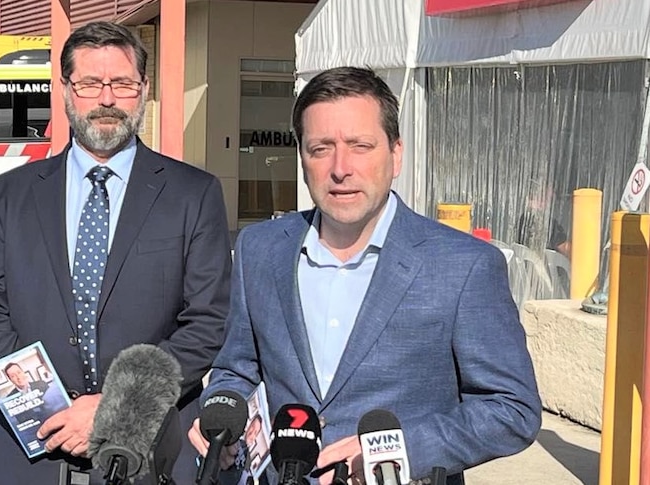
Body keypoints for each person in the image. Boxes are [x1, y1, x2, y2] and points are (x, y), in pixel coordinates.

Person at [188, 66, 541, 484]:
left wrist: (395, 451)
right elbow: (237, 368)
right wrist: (221, 407)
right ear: (302, 158)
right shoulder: (259, 248)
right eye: (321, 148)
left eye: (360, 146)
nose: (341, 168)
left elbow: (512, 409)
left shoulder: (464, 265)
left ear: (396, 155)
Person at [0, 20, 232, 485]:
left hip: (151, 446)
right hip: (38, 443)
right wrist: (55, 409)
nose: (106, 100)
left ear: (143, 88)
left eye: (122, 84)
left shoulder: (194, 194)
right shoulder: (9, 196)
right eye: (89, 83)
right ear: (65, 89)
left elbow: (207, 322)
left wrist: (114, 408)